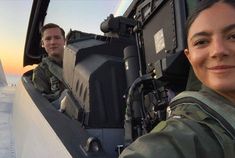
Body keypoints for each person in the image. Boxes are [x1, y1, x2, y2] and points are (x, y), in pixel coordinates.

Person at [119, 0, 235, 158]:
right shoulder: (192, 131)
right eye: (201, 42)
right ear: (189, 56)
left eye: (233, 36)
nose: (218, 51)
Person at [32, 23, 66, 106]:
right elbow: (45, 105)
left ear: (64, 41)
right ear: (42, 44)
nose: (53, 42)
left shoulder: (79, 62)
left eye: (57, 38)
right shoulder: (40, 72)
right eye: (48, 39)